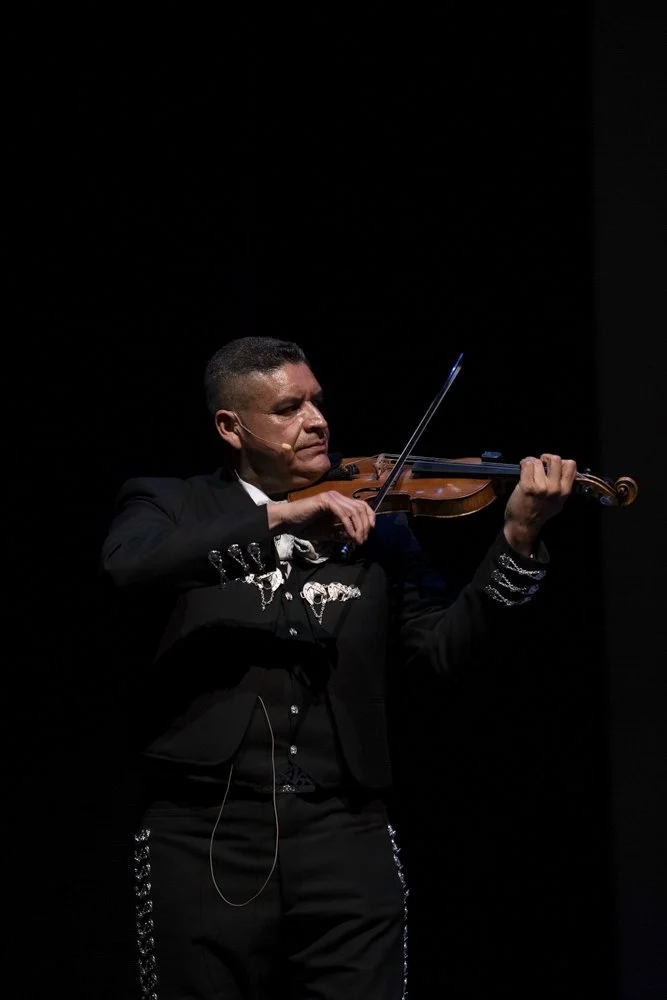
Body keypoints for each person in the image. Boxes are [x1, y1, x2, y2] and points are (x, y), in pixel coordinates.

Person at [100, 335, 577, 1000]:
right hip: (201, 834)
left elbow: (439, 654)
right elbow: (132, 567)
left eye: (317, 402)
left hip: (343, 833)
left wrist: (517, 543)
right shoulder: (170, 504)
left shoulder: (380, 522)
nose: (316, 420)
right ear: (230, 427)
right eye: (288, 408)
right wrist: (283, 517)